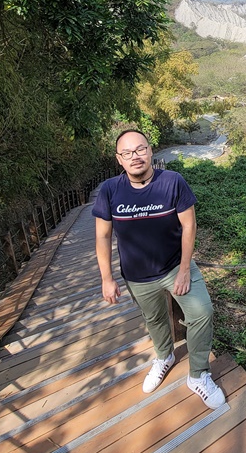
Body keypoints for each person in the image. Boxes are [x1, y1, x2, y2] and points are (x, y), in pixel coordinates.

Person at [93, 128, 226, 409]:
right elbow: (102, 236)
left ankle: (199, 375)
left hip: (175, 266)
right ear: (119, 159)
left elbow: (189, 225)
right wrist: (107, 278)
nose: (135, 156)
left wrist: (185, 269)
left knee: (202, 312)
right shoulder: (109, 190)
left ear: (150, 150)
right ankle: (164, 356)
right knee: (154, 320)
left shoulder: (172, 182)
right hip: (137, 276)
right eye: (127, 153)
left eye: (140, 149)